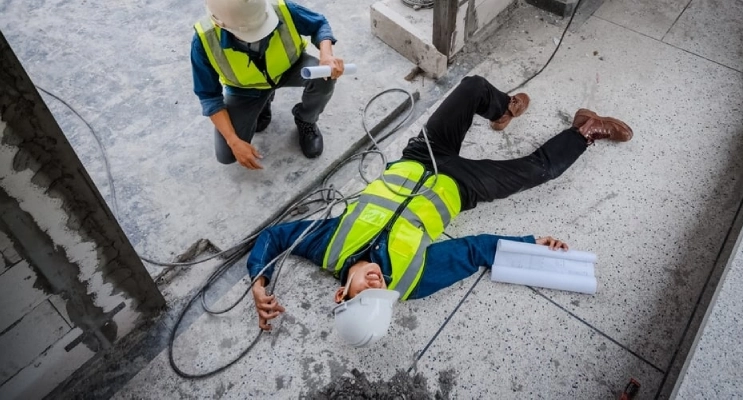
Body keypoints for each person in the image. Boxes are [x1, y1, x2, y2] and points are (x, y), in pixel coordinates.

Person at [247, 75, 633, 346]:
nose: (378, 286)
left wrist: (257, 283)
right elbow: (475, 251)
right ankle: (585, 129)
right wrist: (531, 243)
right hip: (463, 185)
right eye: (381, 298)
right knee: (539, 170)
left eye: (365, 293)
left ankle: (503, 108)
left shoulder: (326, 246)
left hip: (422, 154)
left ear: (340, 295)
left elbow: (274, 236)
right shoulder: (413, 282)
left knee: (473, 87)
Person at [191, 0, 344, 168]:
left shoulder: (280, 8)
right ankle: (263, 102)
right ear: (219, 24)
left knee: (324, 77)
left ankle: (306, 120)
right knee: (226, 154)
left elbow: (319, 24)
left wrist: (326, 55)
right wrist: (233, 141)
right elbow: (209, 96)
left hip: (291, 67)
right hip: (246, 90)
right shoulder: (205, 40)